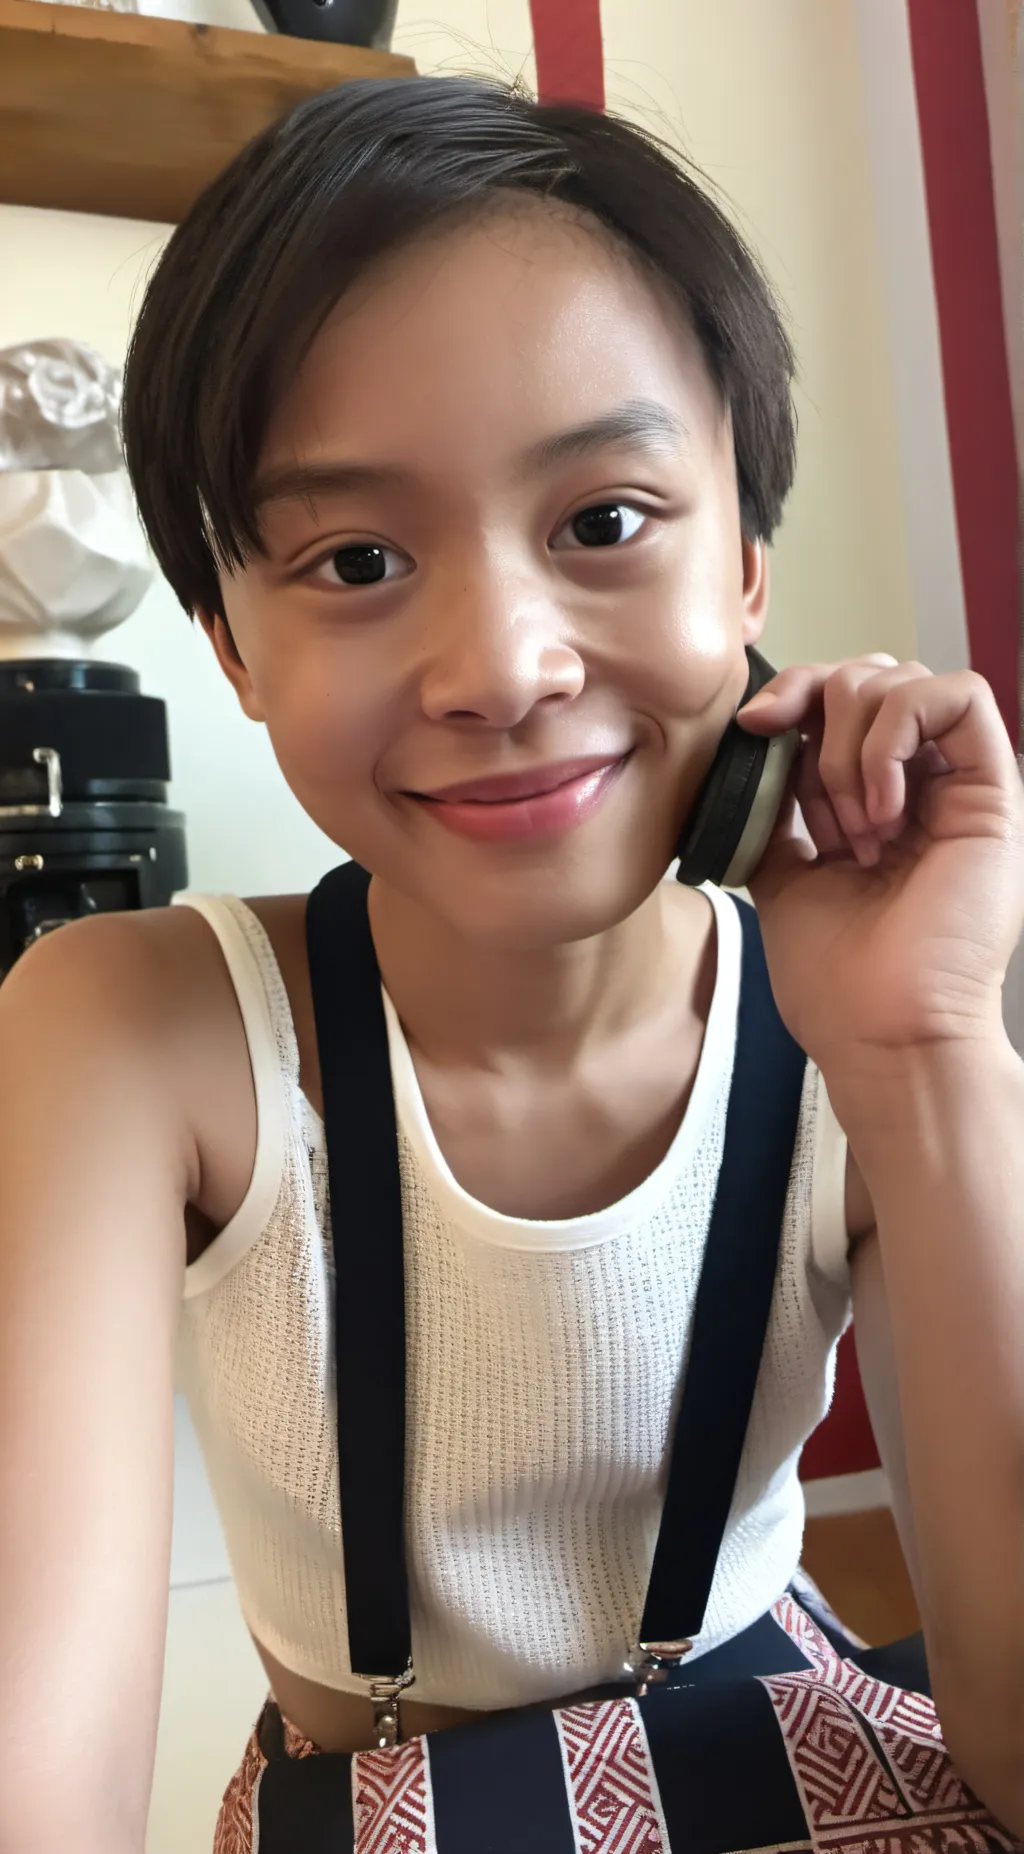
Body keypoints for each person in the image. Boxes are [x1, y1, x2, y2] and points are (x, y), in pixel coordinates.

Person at [1, 76, 1022, 1854]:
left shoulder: (852, 1018)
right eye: (359, 558)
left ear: (747, 555)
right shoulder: (133, 1031)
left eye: (604, 520)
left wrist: (931, 1049)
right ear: (233, 644)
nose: (503, 666)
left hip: (781, 1742)